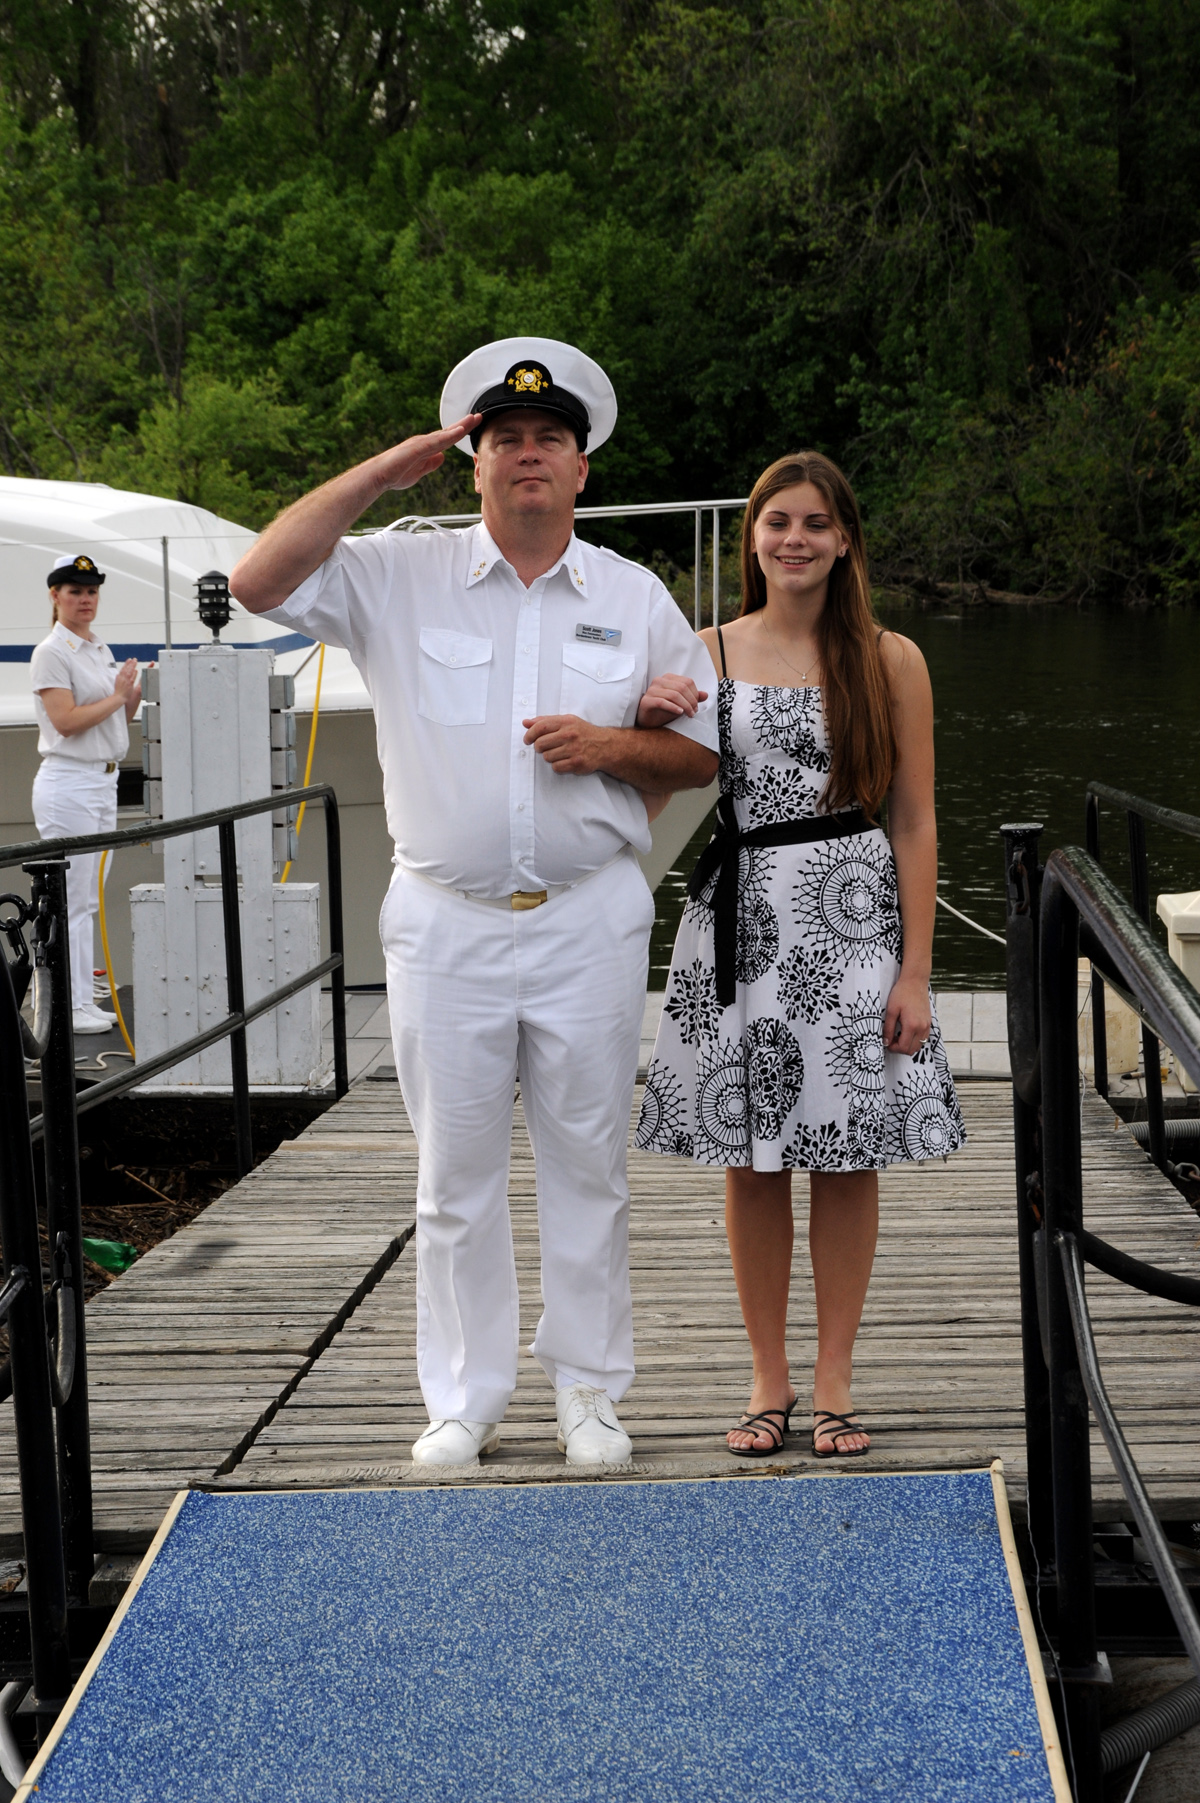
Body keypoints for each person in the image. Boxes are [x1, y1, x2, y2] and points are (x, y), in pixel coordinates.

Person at [230, 337, 719, 1468]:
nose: (528, 454)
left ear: (582, 468)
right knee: (453, 1175)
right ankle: (466, 1396)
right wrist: (381, 473)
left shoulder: (635, 595)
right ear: (473, 460)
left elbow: (698, 758)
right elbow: (256, 583)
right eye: (505, 439)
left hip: (588, 914)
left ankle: (589, 1390)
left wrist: (613, 744)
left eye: (549, 438)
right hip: (444, 918)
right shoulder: (398, 573)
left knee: (588, 1165)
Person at [636, 451, 965, 1460]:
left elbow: (915, 820)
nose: (796, 539)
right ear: (753, 538)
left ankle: (834, 1380)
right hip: (739, 918)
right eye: (778, 521)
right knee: (750, 1158)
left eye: (817, 523)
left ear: (845, 541)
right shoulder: (705, 650)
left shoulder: (890, 658)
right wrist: (643, 719)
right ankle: (767, 1378)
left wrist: (915, 971)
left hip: (852, 915)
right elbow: (658, 781)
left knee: (847, 1153)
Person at [30, 553, 141, 1037]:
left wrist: (129, 695)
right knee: (72, 899)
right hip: (70, 782)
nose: (85, 599)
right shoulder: (51, 652)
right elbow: (66, 722)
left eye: (91, 591)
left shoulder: (97, 647)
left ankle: (80, 1000)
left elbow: (116, 720)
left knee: (88, 899)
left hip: (101, 780)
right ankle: (69, 1005)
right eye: (75, 591)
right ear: (55, 596)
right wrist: (116, 697)